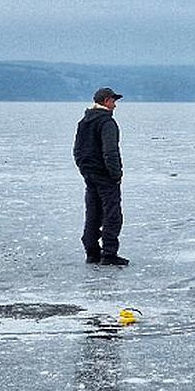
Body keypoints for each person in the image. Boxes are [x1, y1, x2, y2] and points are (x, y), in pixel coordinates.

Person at [73, 87, 129, 266]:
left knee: (93, 213)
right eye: (113, 101)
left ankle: (92, 252)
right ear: (105, 101)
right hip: (105, 175)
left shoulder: (84, 122)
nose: (115, 105)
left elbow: (77, 151)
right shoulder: (107, 123)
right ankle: (109, 253)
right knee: (112, 214)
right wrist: (116, 174)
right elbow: (110, 152)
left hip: (89, 175)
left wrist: (85, 170)